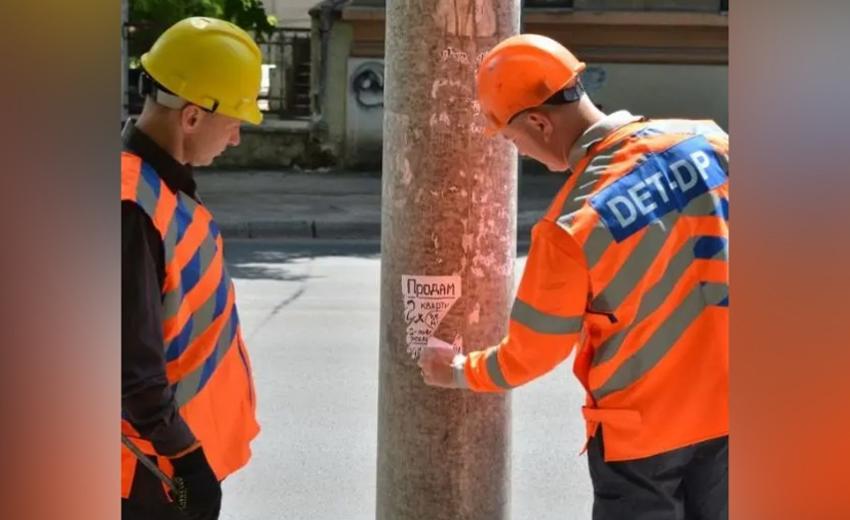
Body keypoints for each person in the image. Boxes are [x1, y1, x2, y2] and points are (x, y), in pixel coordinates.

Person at [419, 34, 729, 520]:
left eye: (511, 138)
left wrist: (455, 369)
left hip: (642, 438)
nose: (518, 152)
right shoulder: (710, 142)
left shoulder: (572, 225)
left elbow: (530, 355)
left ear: (539, 122)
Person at [121, 17, 264, 519]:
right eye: (235, 124)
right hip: (146, 473)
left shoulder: (154, 188)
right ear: (191, 118)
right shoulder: (129, 205)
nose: (236, 140)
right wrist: (186, 463)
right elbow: (130, 369)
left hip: (159, 464)